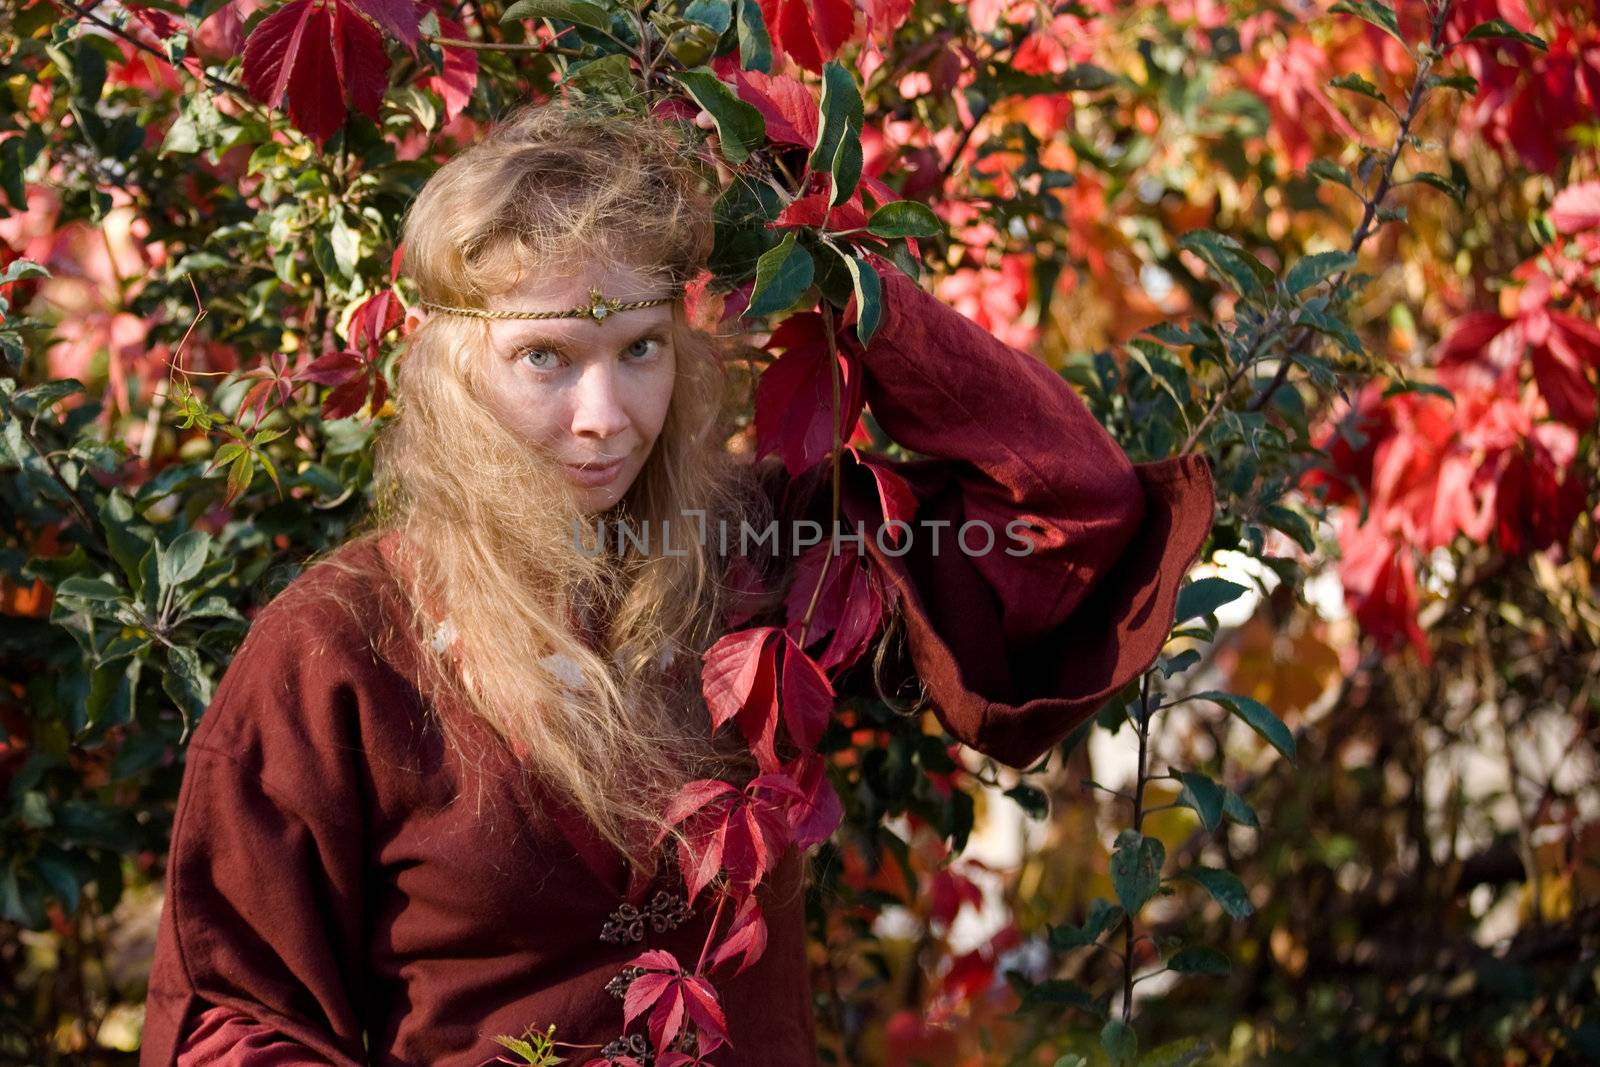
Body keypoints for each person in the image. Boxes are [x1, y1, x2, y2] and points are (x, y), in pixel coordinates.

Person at [139, 99, 1215, 1067]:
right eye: (546, 358)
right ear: (455, 367)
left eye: (641, 347)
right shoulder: (343, 645)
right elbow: (235, 1016)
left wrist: (842, 273)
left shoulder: (763, 553)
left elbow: (1070, 510)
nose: (607, 415)